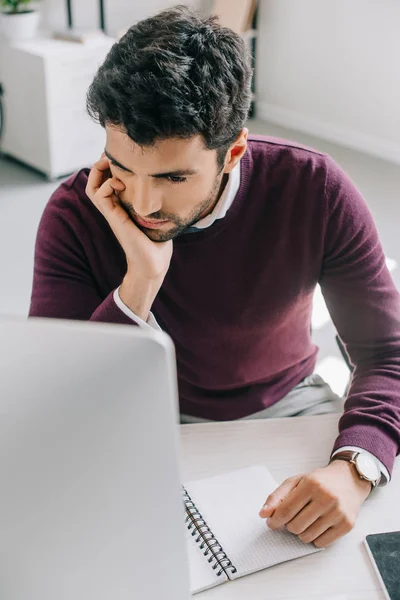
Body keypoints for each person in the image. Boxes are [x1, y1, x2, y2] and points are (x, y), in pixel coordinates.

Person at [30, 6, 400, 549]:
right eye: (122, 168)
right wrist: (140, 281)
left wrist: (354, 467)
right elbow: (61, 397)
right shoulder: (75, 213)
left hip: (289, 400)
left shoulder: (314, 187)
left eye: (173, 176)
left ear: (233, 152)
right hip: (140, 414)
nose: (142, 202)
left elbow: (388, 352)